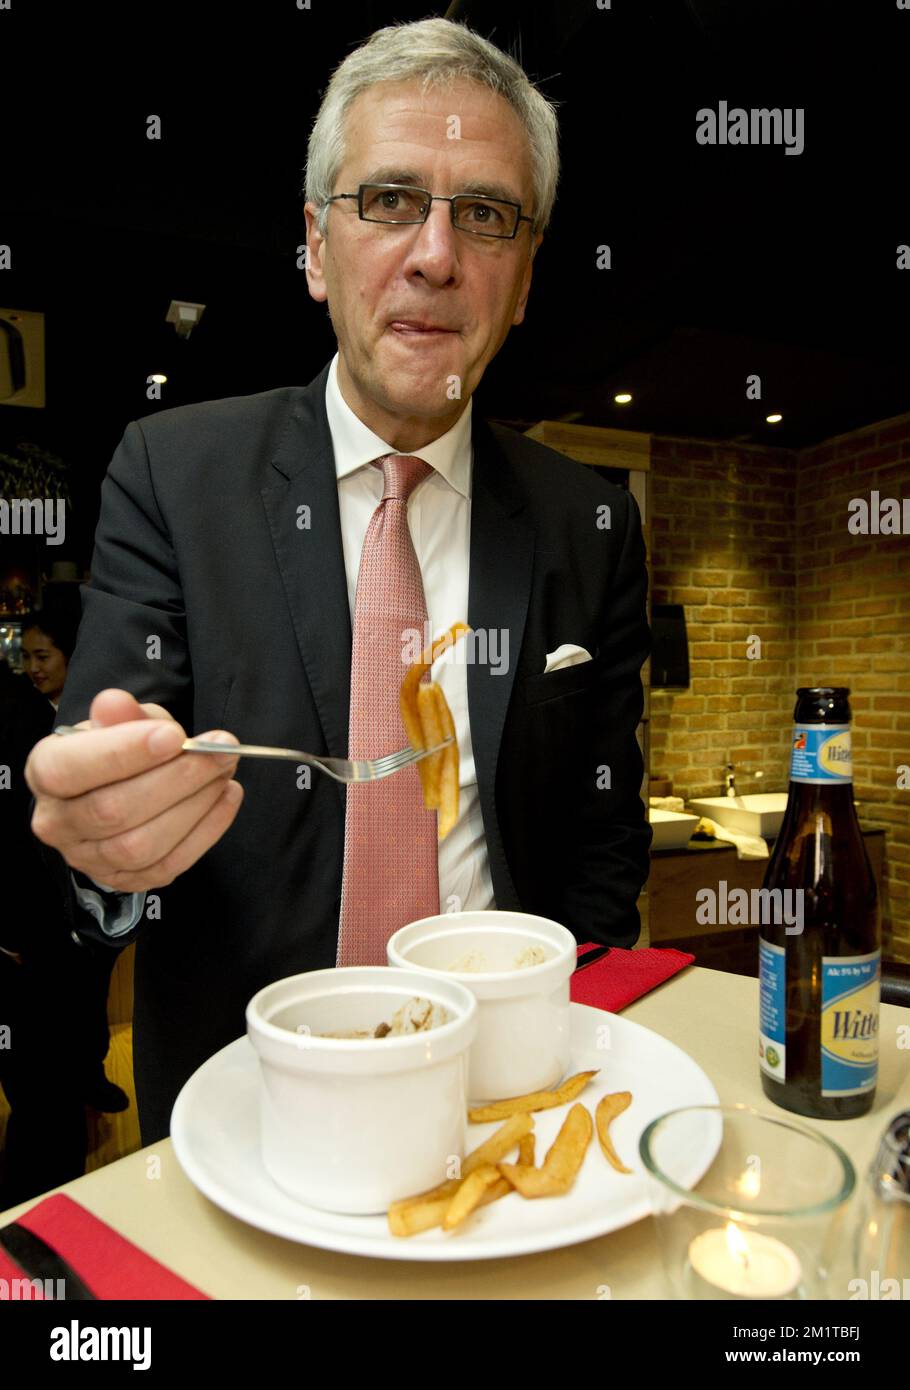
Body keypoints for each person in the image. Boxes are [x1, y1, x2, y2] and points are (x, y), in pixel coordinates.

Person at [24, 17, 652, 1148]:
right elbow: (105, 824)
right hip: (248, 1101)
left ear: (522, 280)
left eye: (486, 215)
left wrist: (571, 1036)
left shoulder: (589, 522)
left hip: (507, 1104)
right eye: (389, 200)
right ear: (314, 248)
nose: (434, 255)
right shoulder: (173, 472)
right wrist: (109, 853)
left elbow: (604, 841)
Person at [0, 609, 126, 1208]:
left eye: (42, 656)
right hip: (35, 923)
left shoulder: (83, 718)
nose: (31, 669)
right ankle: (35, 1201)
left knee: (80, 1018)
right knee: (35, 1074)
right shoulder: (17, 721)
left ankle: (89, 1079)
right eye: (25, 657)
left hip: (83, 915)